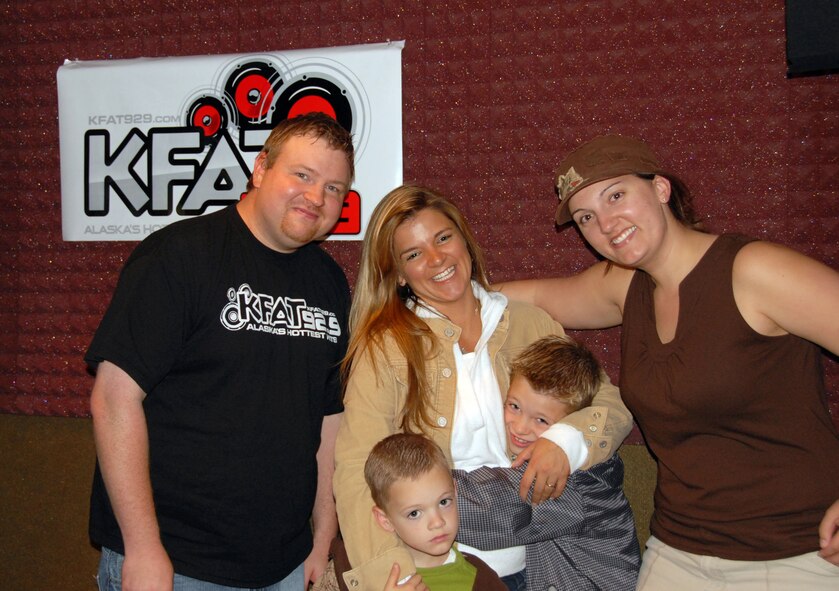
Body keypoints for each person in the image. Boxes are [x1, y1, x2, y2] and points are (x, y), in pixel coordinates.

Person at [499, 134, 839, 589]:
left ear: (661, 189)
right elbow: (531, 296)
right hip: (677, 549)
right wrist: (430, 289)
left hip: (796, 551)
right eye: (586, 217)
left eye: (616, 195)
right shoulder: (624, 287)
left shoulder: (753, 270)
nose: (606, 223)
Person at [87, 113, 355, 591]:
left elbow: (328, 418)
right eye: (303, 175)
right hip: (178, 563)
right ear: (260, 169)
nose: (317, 198)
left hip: (286, 564)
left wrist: (323, 535)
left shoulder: (330, 283)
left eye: (334, 188)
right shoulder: (179, 257)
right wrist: (145, 549)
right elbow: (113, 399)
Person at [333, 184, 633, 591]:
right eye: (414, 254)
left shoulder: (530, 323)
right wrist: (392, 576)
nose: (437, 259)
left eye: (443, 238)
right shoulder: (385, 347)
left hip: (544, 561)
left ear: (465, 240)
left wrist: (566, 439)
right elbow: (357, 468)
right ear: (399, 274)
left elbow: (609, 403)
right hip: (444, 571)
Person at [454, 334, 640, 591]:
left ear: (572, 422)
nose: (519, 427)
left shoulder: (575, 475)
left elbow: (496, 512)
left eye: (541, 420)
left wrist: (407, 493)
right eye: (514, 406)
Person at [363, 432, 507, 590]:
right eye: (415, 513)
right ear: (385, 521)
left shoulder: (480, 578)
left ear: (455, 491)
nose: (438, 522)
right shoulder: (371, 577)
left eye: (444, 502)